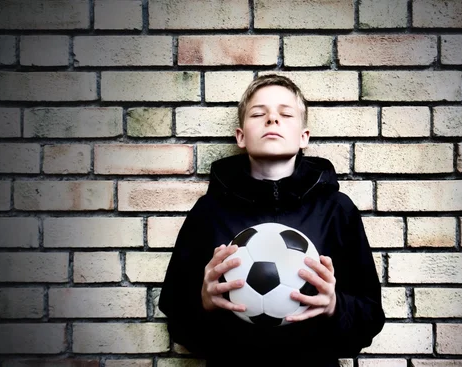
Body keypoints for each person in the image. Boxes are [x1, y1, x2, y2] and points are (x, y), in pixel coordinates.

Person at [158, 74, 385, 367]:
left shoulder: (337, 211)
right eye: (258, 113)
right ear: (240, 136)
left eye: (286, 113)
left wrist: (334, 306)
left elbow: (369, 320)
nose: (272, 120)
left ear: (304, 137)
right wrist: (203, 303)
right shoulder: (209, 212)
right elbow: (178, 324)